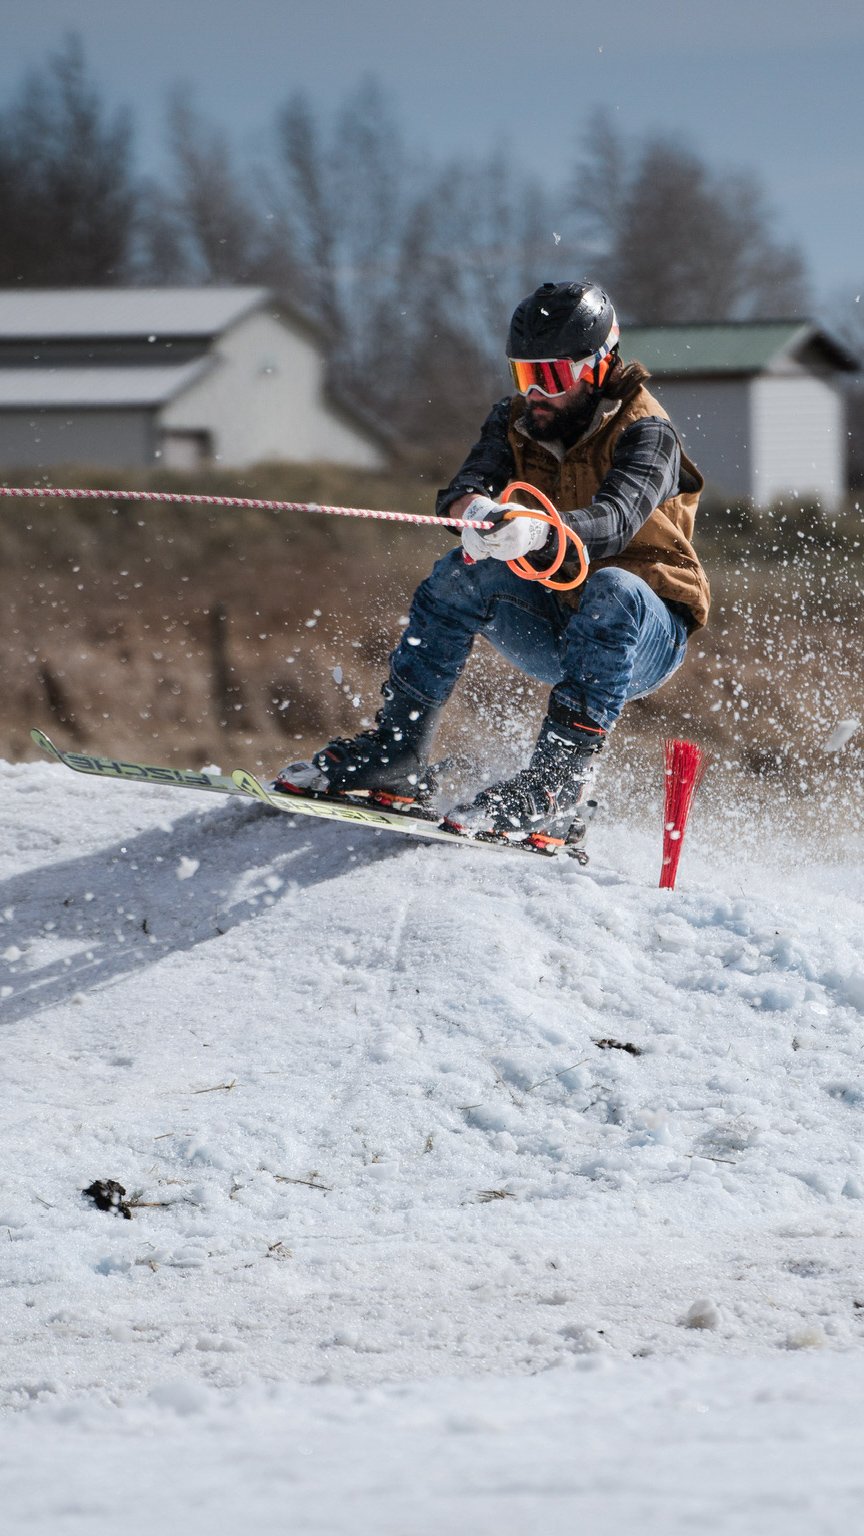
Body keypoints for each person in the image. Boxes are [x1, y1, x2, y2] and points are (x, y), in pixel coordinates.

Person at [274, 280, 710, 852]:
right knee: (459, 570)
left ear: (599, 366)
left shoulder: (648, 432)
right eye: (524, 375)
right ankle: (397, 754)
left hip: (642, 634)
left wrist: (537, 531)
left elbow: (615, 522)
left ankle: (556, 786)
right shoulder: (515, 421)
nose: (536, 394)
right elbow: (460, 491)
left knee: (613, 587)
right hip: (557, 619)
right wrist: (477, 513)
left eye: (550, 377)